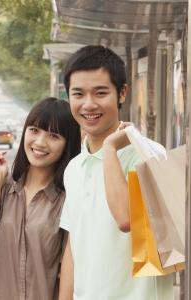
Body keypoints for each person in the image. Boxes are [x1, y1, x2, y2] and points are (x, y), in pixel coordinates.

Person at [58, 45, 173, 300]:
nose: (89, 104)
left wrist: (110, 150)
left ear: (122, 93)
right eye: (78, 94)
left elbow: (126, 220)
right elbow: (73, 247)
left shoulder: (149, 154)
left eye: (100, 93)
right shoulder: (74, 168)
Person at [0, 97, 81, 300]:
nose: (40, 142)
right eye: (34, 130)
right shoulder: (5, 188)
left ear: (67, 144)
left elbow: (70, 269)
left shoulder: (70, 198)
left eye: (54, 135)